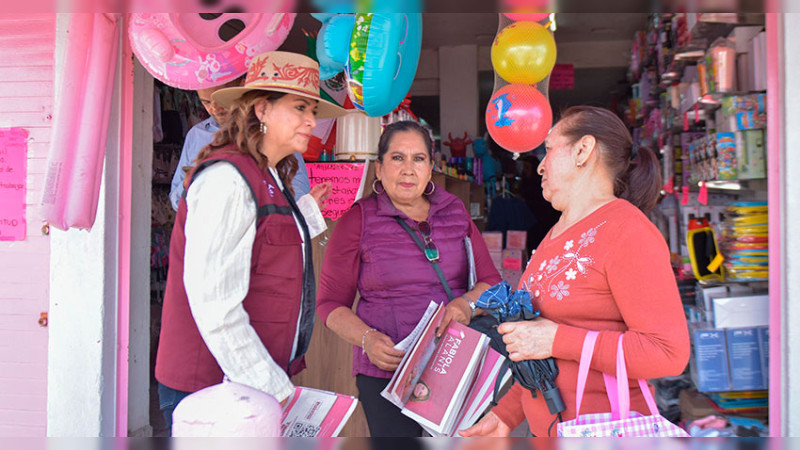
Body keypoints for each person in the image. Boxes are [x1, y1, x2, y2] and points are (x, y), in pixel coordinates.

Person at [461, 106, 690, 437]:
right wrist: (506, 416)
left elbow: (667, 354)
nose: (539, 165)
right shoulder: (557, 232)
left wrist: (558, 339)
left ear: (583, 150)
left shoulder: (627, 230)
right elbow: (537, 351)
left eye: (549, 149)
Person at [154, 51, 346, 431]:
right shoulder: (227, 178)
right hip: (213, 389)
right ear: (261, 109)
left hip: (247, 385)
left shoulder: (267, 174)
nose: (311, 121)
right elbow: (216, 307)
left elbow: (263, 243)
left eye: (312, 109)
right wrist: (277, 392)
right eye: (299, 108)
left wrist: (305, 212)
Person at [316, 120, 503, 437]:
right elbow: (329, 304)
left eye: (418, 159)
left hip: (453, 365)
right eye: (397, 158)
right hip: (387, 374)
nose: (408, 169)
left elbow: (491, 283)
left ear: (431, 167)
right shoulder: (358, 219)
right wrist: (367, 339)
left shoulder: (454, 211)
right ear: (380, 167)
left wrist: (464, 305)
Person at [169, 77, 313, 210]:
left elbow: (299, 191)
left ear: (240, 87)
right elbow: (176, 200)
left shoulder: (275, 132)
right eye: (206, 102)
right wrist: (194, 183)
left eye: (220, 100)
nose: (214, 109)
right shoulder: (197, 135)